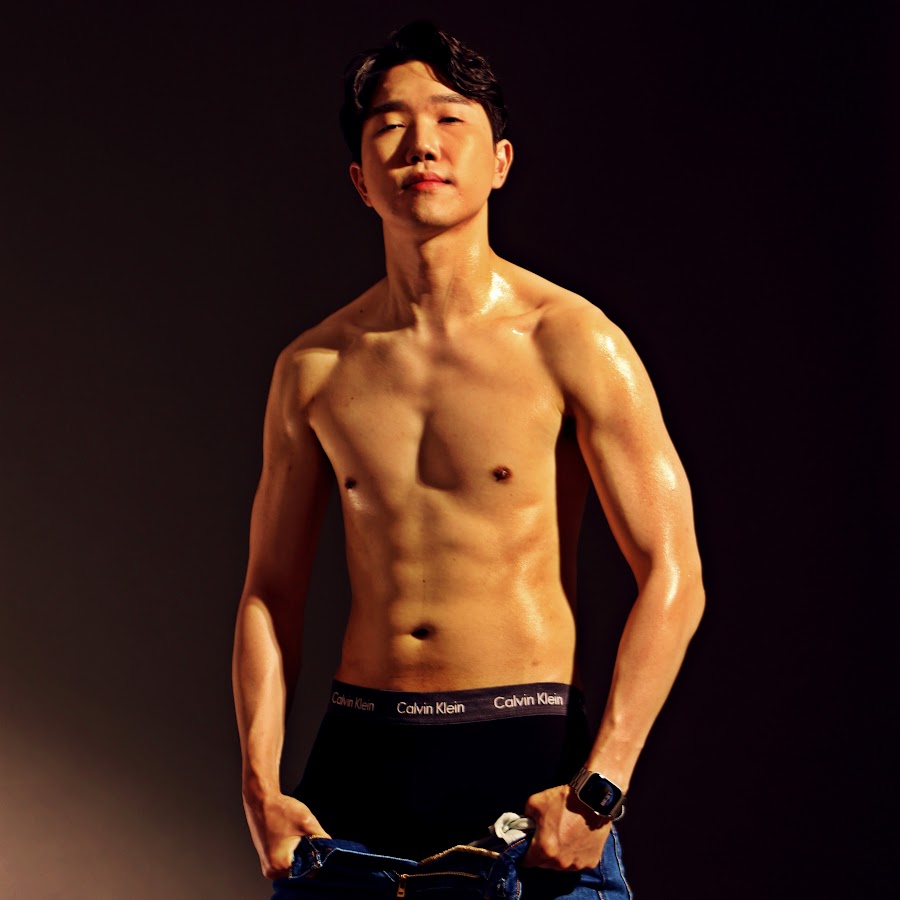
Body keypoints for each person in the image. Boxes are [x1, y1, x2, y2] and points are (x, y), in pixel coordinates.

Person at [232, 20, 704, 899]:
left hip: (526, 775)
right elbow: (269, 590)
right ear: (359, 178)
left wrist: (601, 787)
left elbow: (675, 574)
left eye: (451, 119)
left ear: (500, 162)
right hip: (355, 774)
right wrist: (260, 788)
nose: (422, 144)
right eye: (390, 124)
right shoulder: (314, 369)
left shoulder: (572, 340)